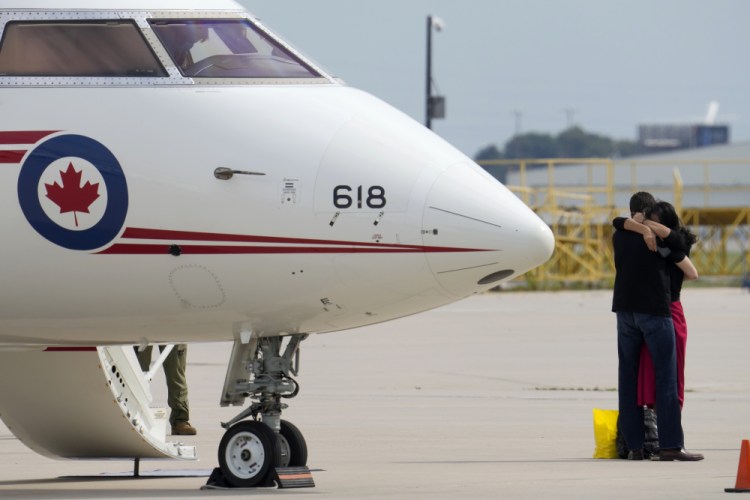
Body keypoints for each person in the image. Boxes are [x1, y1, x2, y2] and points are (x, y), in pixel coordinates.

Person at [611, 191, 702, 461]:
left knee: (627, 380)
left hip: (624, 311)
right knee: (666, 378)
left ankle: (635, 447)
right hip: (654, 311)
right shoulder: (662, 238)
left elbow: (617, 222)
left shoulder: (620, 234)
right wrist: (649, 228)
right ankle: (671, 445)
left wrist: (636, 224)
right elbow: (681, 243)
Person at [136, 344, 197, 436]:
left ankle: (179, 420)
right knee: (137, 370)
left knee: (176, 372)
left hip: (172, 330)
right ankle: (133, 414)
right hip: (142, 330)